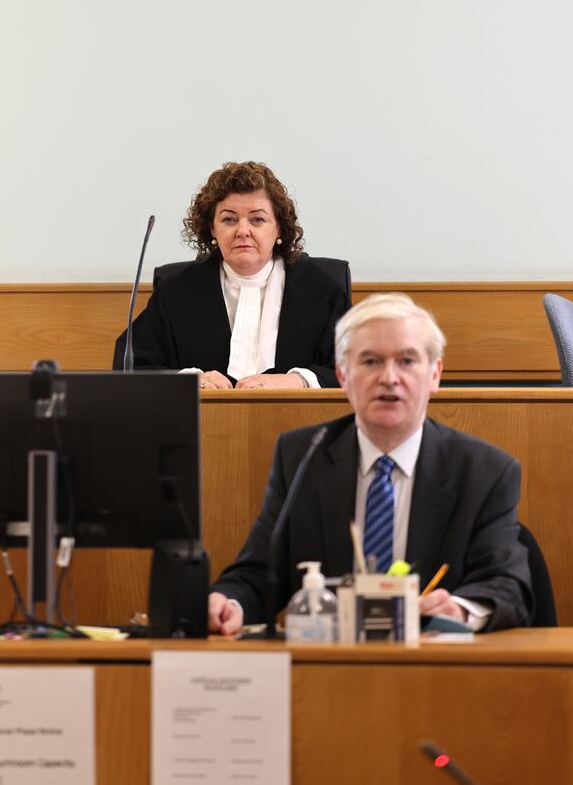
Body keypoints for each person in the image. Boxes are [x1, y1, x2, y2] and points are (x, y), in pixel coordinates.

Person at [209, 292, 533, 633]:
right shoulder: (303, 456)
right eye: (371, 361)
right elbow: (259, 573)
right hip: (330, 668)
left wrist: (460, 610)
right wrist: (229, 603)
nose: (389, 378)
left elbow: (508, 584)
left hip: (435, 666)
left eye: (407, 361)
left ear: (434, 374)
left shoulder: (483, 470)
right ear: (343, 375)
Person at [113, 161, 350, 389]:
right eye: (229, 219)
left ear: (279, 228)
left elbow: (359, 367)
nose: (242, 231)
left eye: (257, 219)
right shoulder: (177, 293)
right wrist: (188, 381)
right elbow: (130, 368)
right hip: (203, 426)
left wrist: (299, 380)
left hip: (300, 425)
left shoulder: (321, 290)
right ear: (212, 229)